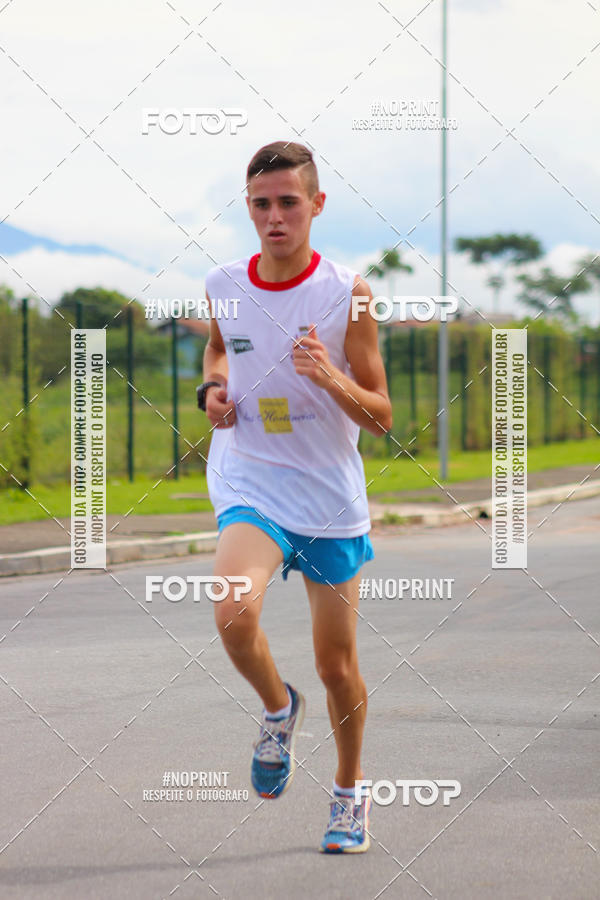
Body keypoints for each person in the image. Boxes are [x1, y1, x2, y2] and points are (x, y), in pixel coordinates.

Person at [198, 140, 391, 853]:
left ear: (317, 204)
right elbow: (219, 347)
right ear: (247, 208)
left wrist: (329, 377)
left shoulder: (347, 293)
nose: (274, 217)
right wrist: (213, 388)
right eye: (261, 204)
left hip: (328, 497)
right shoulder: (222, 282)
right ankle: (278, 710)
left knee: (336, 666)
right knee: (232, 608)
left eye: (288, 202)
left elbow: (381, 415)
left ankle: (349, 790)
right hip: (250, 476)